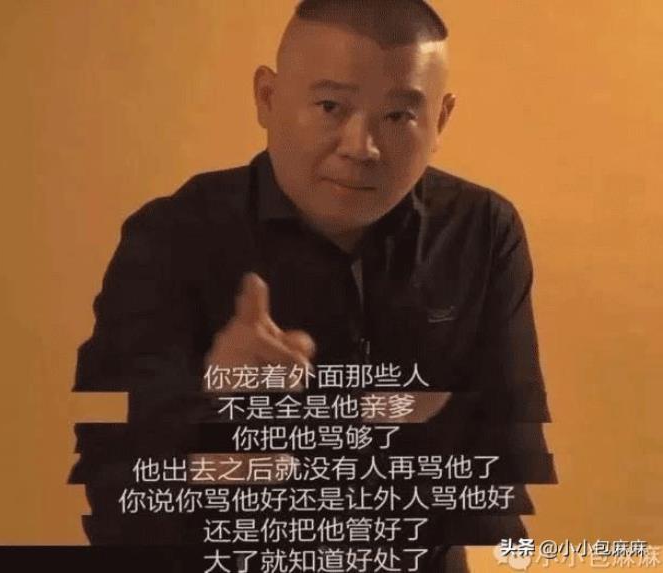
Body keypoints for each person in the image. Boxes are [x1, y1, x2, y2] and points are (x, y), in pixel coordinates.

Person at [70, 1, 556, 570]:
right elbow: (112, 476)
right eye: (330, 106)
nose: (361, 145)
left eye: (398, 116)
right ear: (267, 98)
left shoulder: (483, 230)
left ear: (441, 121)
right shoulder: (172, 236)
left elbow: (503, 460)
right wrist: (213, 401)